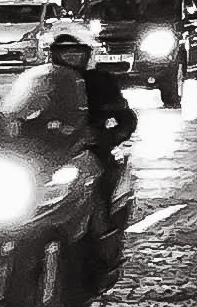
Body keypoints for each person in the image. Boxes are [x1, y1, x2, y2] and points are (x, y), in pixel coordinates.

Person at [43, 26, 137, 269]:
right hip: (47, 153)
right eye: (64, 52)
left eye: (75, 52)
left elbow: (125, 116)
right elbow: (23, 109)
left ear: (86, 54)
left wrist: (111, 134)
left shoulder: (100, 82)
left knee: (100, 182)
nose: (70, 57)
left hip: (88, 151)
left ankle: (100, 237)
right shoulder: (44, 83)